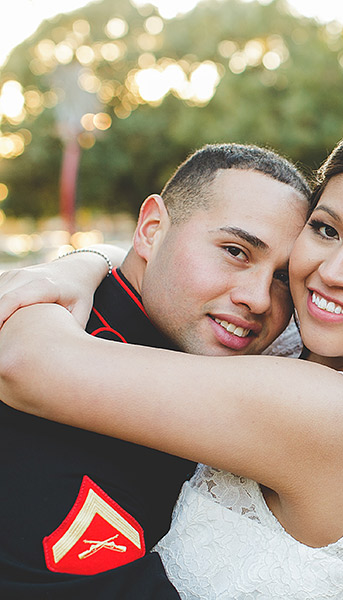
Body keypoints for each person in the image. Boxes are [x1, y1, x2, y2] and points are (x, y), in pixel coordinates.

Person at [0, 113, 343, 600]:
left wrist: (58, 275)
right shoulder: (317, 357)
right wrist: (90, 260)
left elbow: (25, 362)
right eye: (326, 229)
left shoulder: (326, 411)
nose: (333, 271)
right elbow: (160, 259)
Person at [0, 143, 310, 598]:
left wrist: (91, 258)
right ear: (150, 230)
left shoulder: (248, 360)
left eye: (284, 276)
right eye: (236, 251)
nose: (260, 299)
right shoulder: (56, 373)